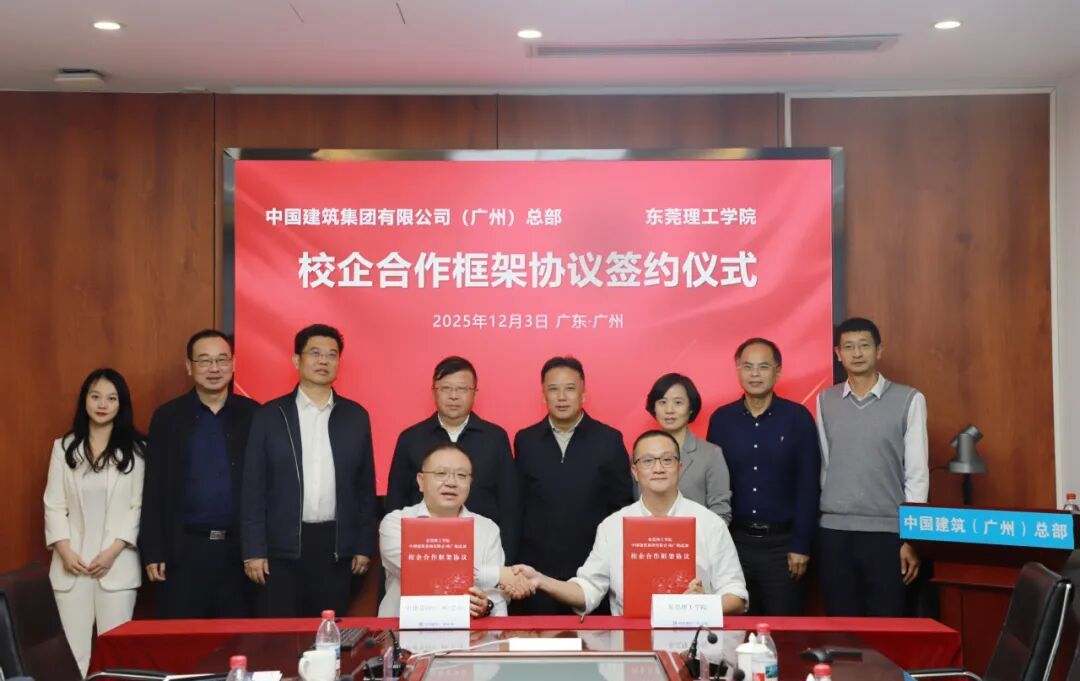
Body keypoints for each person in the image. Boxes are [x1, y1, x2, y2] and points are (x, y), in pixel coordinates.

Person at [511, 430, 748, 615]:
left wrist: (702, 606)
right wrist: (541, 580)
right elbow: (588, 589)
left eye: (667, 460)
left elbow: (736, 595)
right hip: (631, 646)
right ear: (634, 471)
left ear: (680, 468)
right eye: (648, 461)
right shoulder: (613, 526)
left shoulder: (709, 524)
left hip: (696, 642)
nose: (658, 468)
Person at [241, 323, 378, 617]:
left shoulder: (355, 416)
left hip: (335, 546)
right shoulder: (270, 415)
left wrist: (364, 545)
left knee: (327, 632)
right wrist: (253, 550)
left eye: (331, 354)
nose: (323, 361)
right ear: (297, 360)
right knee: (280, 633)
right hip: (280, 547)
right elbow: (253, 487)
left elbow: (365, 488)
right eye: (314, 353)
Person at [138, 329, 260, 618]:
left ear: (233, 363)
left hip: (240, 554)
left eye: (222, 360)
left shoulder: (255, 415)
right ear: (189, 366)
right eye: (204, 361)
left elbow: (267, 487)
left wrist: (260, 549)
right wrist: (153, 550)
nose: (214, 368)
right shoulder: (168, 417)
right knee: (182, 639)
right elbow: (154, 487)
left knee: (239, 639)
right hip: (183, 552)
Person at [815, 317, 928, 616]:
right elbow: (826, 467)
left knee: (887, 620)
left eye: (864, 345)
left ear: (879, 350)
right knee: (841, 623)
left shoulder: (909, 399)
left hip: (888, 534)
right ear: (838, 354)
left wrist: (911, 538)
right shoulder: (825, 401)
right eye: (848, 347)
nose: (857, 353)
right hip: (835, 532)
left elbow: (917, 475)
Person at [706, 338, 820, 615]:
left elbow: (808, 485)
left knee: (783, 630)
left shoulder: (798, 418)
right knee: (733, 629)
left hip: (783, 547)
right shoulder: (721, 419)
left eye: (763, 366)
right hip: (734, 544)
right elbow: (714, 483)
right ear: (737, 370)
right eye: (748, 366)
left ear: (777, 371)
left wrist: (801, 544)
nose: (755, 374)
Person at [43, 368, 146, 676]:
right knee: (71, 655)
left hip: (117, 565)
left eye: (111, 398)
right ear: (84, 400)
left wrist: (113, 552)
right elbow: (53, 504)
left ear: (121, 404)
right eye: (96, 396)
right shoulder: (63, 448)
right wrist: (64, 551)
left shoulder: (138, 451)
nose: (102, 404)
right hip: (71, 566)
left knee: (116, 656)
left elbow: (138, 506)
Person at [513, 356, 634, 614]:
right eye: (553, 389)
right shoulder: (526, 441)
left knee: (594, 639)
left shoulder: (609, 440)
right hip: (537, 573)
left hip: (593, 572)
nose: (561, 397)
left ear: (583, 394)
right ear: (543, 396)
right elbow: (517, 503)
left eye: (570, 388)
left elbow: (622, 507)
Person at [384, 356, 519, 560]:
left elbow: (509, 503)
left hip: (482, 548)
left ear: (474, 393)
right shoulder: (410, 438)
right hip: (423, 550)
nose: (453, 396)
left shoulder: (495, 438)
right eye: (446, 388)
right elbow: (396, 498)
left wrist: (505, 561)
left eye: (462, 389)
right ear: (434, 392)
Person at [379, 443, 531, 617]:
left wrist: (486, 605)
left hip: (470, 629)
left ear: (470, 483)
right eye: (441, 473)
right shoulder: (397, 523)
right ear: (421, 481)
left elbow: (498, 595)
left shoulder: (487, 528)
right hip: (401, 626)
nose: (451, 483)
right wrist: (495, 575)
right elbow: (419, 570)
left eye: (461, 475)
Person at [646, 373, 731, 523]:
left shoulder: (711, 454)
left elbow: (721, 512)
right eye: (662, 402)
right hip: (649, 536)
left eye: (678, 402)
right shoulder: (641, 454)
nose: (669, 410)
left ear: (691, 408)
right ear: (654, 407)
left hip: (698, 537)